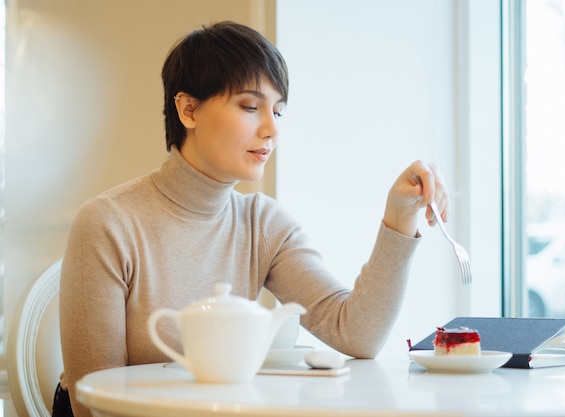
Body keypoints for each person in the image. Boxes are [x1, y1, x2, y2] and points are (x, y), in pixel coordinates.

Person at [55, 21, 449, 417]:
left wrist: (399, 219)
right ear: (188, 110)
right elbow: (94, 400)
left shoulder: (262, 222)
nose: (272, 129)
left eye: (278, 111)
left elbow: (357, 334)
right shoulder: (108, 222)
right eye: (249, 106)